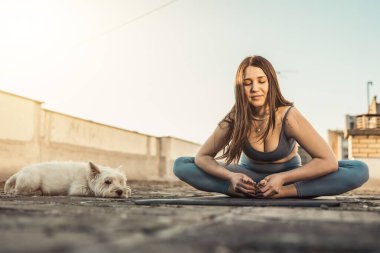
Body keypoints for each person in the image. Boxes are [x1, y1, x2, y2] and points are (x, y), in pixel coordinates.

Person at [173, 55, 369, 199]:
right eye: (247, 83)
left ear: (271, 83)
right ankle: (237, 190)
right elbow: (202, 157)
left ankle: (284, 193)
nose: (255, 89)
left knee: (359, 170)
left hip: (288, 179)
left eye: (261, 81)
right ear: (240, 88)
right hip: (247, 178)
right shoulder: (235, 117)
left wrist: (283, 180)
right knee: (182, 165)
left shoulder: (288, 115)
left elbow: (328, 161)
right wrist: (232, 177)